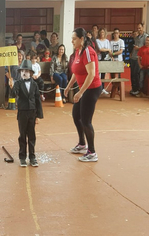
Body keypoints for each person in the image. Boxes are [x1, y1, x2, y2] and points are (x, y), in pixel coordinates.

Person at [64, 28, 102, 162]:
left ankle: (92, 152)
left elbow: (91, 74)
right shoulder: (77, 51)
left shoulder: (88, 52)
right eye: (72, 38)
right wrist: (68, 86)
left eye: (74, 39)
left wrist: (80, 93)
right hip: (82, 89)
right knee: (76, 116)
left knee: (86, 120)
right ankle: (81, 144)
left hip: (91, 89)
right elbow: (76, 71)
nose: (72, 41)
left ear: (81, 39)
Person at [8, 59, 43, 167]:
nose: (24, 72)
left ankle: (32, 157)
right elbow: (13, 95)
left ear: (31, 73)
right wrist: (11, 86)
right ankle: (22, 157)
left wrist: (38, 115)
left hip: (32, 112)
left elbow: (37, 100)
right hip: (22, 113)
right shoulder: (18, 83)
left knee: (31, 135)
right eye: (22, 70)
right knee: (22, 135)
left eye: (27, 71)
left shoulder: (34, 84)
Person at [130, 23, 148, 96]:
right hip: (133, 57)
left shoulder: (146, 36)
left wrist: (138, 48)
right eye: (137, 28)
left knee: (137, 74)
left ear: (143, 27)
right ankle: (134, 89)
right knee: (132, 74)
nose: (139, 29)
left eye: (140, 28)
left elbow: (146, 47)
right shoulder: (136, 37)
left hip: (139, 58)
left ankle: (138, 89)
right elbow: (134, 47)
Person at [96, 28, 112, 94]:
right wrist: (106, 49)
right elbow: (100, 49)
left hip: (106, 59)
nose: (102, 33)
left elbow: (110, 50)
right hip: (98, 58)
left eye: (103, 32)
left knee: (103, 74)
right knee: (97, 73)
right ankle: (97, 88)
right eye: (101, 32)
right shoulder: (97, 40)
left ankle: (102, 88)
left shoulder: (107, 41)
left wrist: (106, 50)